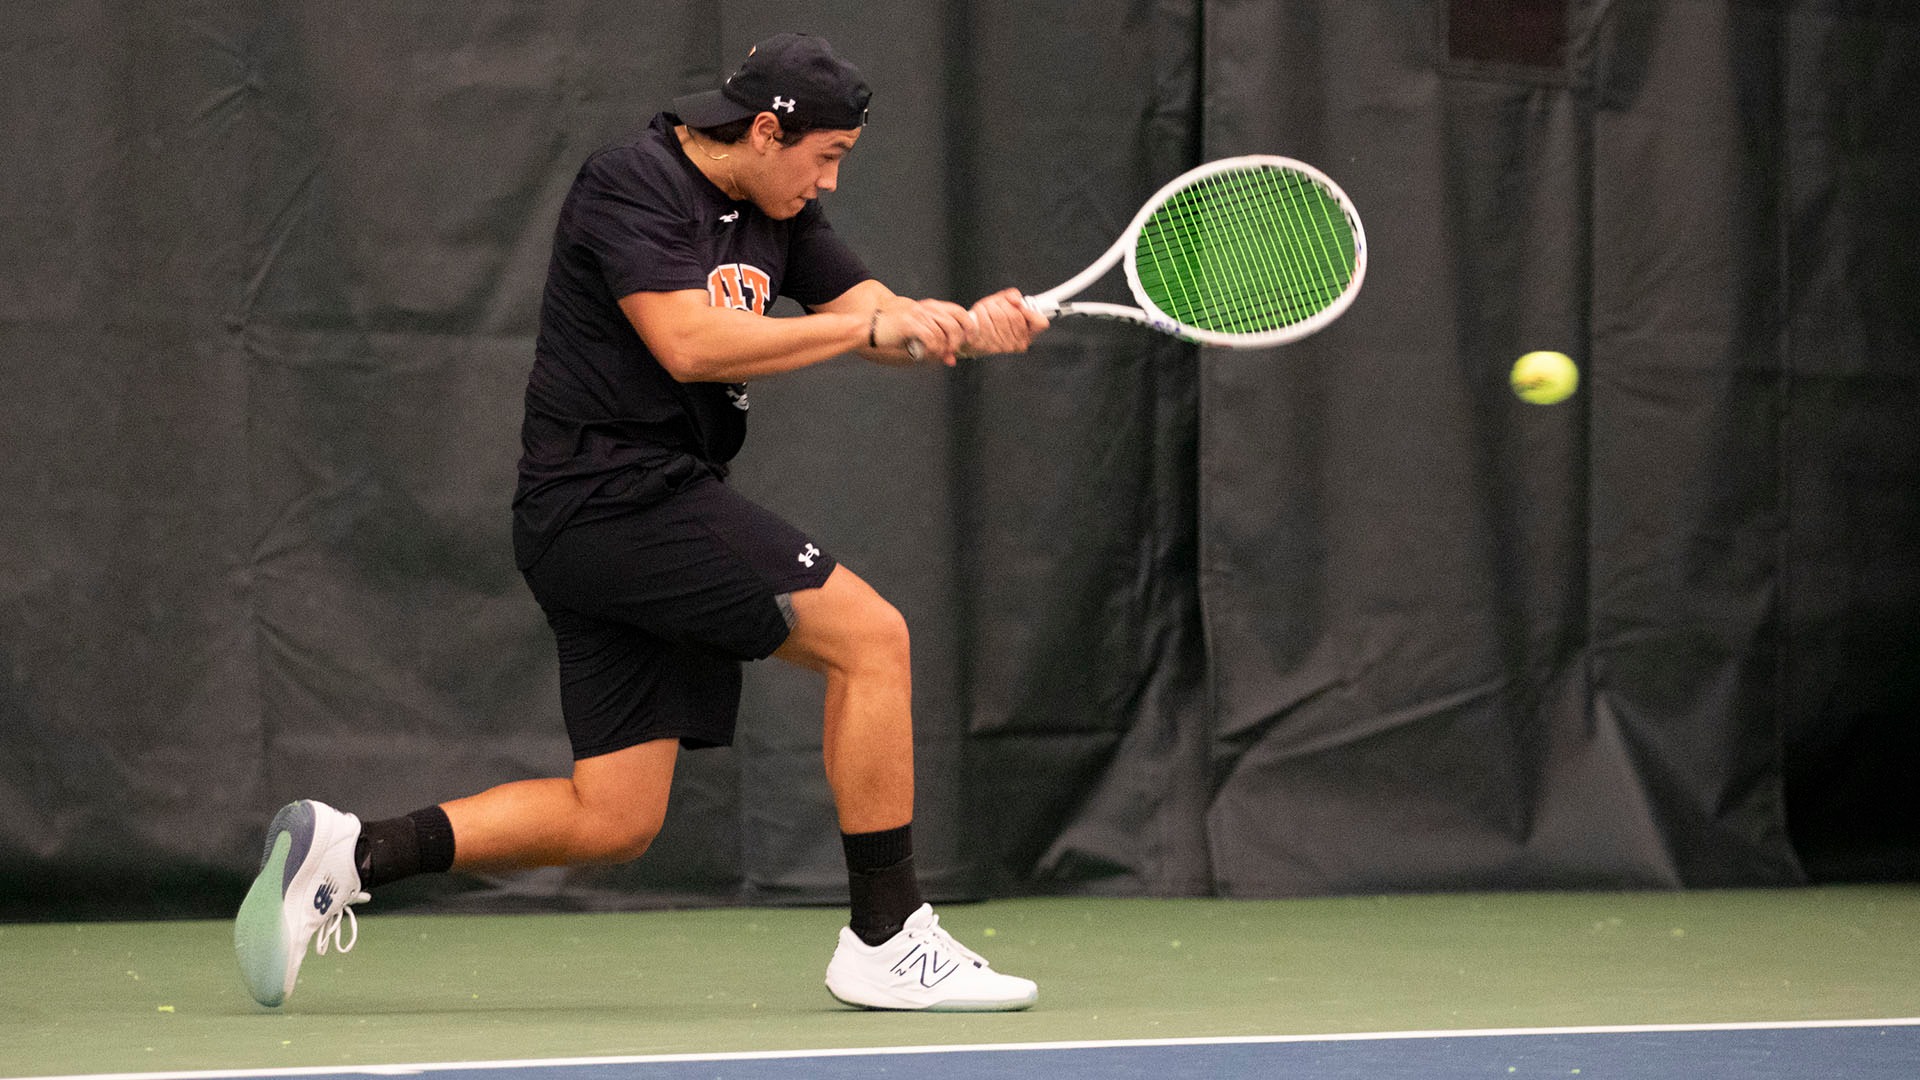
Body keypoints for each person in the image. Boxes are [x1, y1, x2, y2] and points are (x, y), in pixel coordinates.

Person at [233, 32, 1048, 1013]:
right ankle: (887, 934)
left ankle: (349, 851)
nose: (828, 181)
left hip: (626, 512)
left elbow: (869, 307)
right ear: (764, 129)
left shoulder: (779, 210)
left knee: (611, 818)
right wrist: (870, 327)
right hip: (612, 498)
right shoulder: (632, 180)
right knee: (872, 641)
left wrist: (951, 320)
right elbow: (688, 341)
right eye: (825, 156)